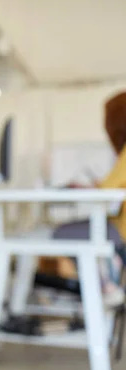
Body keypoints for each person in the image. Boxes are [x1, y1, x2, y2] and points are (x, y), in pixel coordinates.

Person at [53, 91, 126, 306]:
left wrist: (89, 188)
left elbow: (106, 192)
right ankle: (105, 278)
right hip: (117, 226)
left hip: (120, 230)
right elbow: (111, 186)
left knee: (60, 233)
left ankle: (105, 282)